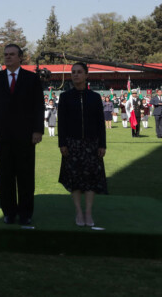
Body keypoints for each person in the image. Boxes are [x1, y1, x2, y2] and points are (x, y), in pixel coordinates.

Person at [0, 44, 44, 225]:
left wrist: (37, 130)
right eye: (5, 54)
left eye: (11, 54)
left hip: (26, 136)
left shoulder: (32, 79)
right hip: (2, 135)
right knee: (5, 175)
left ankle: (25, 213)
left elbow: (38, 106)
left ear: (20, 58)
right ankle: (9, 212)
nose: (8, 57)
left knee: (26, 176)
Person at [58, 63, 107, 227]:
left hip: (92, 144)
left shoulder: (95, 97)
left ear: (86, 75)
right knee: (75, 180)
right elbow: (62, 124)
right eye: (73, 73)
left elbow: (101, 123)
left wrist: (102, 144)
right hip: (72, 144)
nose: (75, 75)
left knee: (91, 180)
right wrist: (62, 143)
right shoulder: (65, 97)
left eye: (79, 72)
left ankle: (88, 212)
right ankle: (78, 211)